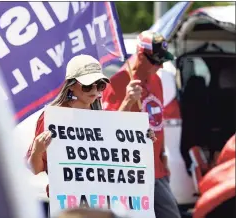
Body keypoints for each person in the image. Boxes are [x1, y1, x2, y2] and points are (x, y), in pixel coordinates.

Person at [26, 54, 156, 217]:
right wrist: (38, 150)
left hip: (101, 207)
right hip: (69, 208)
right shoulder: (52, 118)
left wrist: (141, 137)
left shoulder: (100, 115)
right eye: (88, 86)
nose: (95, 91)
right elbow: (35, 168)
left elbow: (116, 144)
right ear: (71, 85)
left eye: (100, 85)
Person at [101, 30, 181, 218]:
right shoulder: (118, 82)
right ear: (140, 55)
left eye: (163, 60)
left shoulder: (157, 81)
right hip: (131, 171)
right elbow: (107, 130)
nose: (161, 66)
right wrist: (128, 101)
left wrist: (162, 155)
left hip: (156, 169)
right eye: (156, 61)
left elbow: (157, 123)